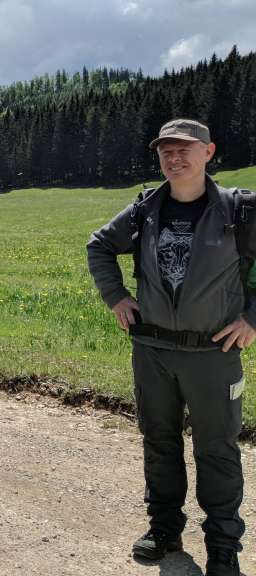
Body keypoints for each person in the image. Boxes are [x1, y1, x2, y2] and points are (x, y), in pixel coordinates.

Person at [86, 119, 247, 575]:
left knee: (216, 448)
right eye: (166, 152)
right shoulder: (145, 209)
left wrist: (253, 318)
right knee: (159, 441)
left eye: (184, 150)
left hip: (213, 354)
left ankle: (222, 545)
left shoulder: (239, 210)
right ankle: (164, 528)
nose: (174, 159)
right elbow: (98, 245)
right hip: (153, 350)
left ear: (208, 151)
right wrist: (115, 296)